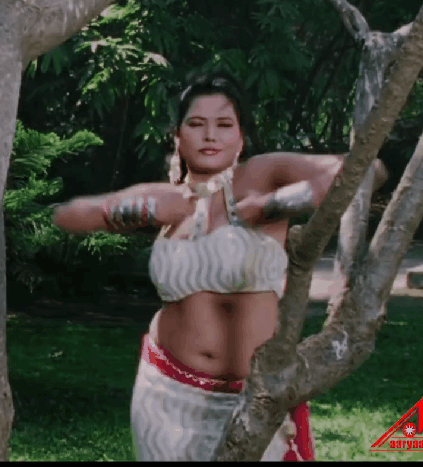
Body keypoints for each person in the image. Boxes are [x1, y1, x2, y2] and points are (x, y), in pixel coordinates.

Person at [53, 73, 387, 461]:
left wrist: (271, 205)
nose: (210, 135)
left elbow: (369, 170)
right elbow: (68, 215)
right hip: (166, 394)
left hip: (255, 395)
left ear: (241, 137)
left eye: (224, 125)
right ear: (177, 138)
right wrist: (141, 210)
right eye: (196, 124)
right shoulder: (165, 197)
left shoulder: (263, 175)